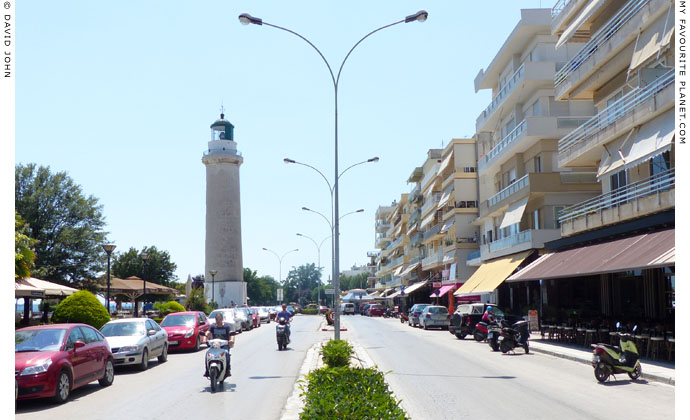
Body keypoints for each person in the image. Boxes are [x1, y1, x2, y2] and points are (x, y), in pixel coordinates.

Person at [204, 313, 235, 378]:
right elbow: (208, 332)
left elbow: (231, 334)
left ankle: (228, 370)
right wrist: (205, 338)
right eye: (217, 319)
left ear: (222, 319)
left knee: (226, 354)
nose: (218, 321)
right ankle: (207, 371)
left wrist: (231, 340)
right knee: (207, 354)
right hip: (215, 345)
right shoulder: (213, 326)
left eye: (219, 319)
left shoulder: (227, 327)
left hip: (224, 345)